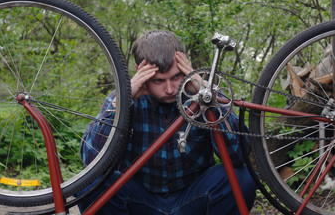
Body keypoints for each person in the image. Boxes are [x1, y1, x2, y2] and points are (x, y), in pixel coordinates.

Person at [79, 30, 257, 214]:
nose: (170, 89)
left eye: (176, 76)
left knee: (242, 177)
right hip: (139, 200)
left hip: (193, 197)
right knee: (90, 183)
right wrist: (122, 102)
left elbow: (239, 156)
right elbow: (90, 161)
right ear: (140, 71)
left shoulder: (203, 95)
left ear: (185, 66)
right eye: (158, 80)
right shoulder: (123, 100)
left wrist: (205, 93)